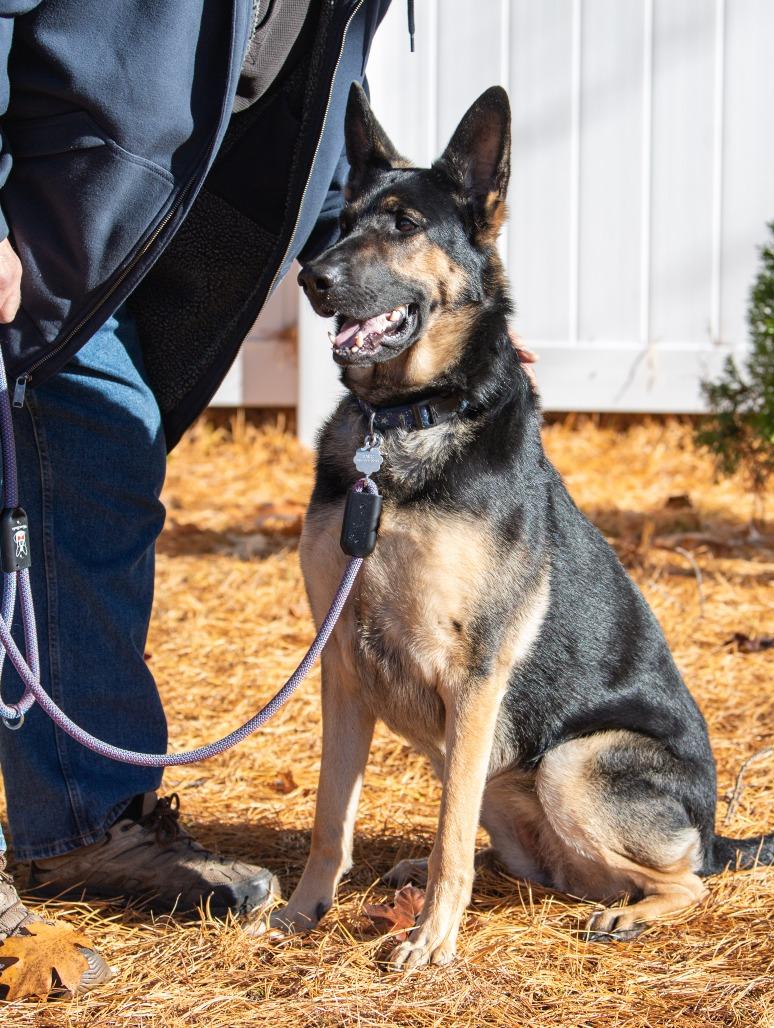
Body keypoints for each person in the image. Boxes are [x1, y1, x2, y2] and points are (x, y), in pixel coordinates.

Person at [0, 0, 395, 1000]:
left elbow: (321, 116)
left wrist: (410, 296)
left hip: (133, 238)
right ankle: (83, 822)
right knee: (89, 441)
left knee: (93, 472)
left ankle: (82, 821)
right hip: (46, 206)